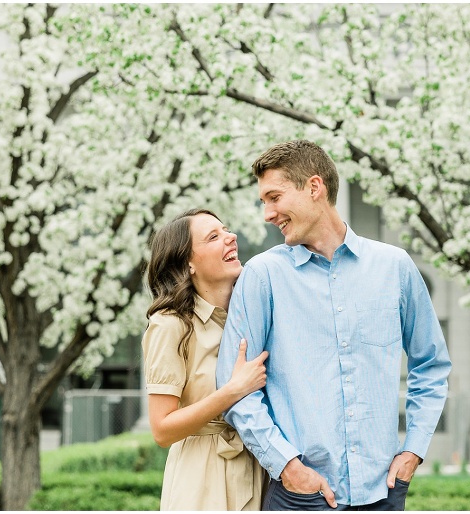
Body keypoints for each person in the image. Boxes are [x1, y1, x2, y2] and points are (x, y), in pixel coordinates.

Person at [216, 140, 452, 510]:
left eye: (274, 197)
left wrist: (413, 451)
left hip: (383, 492)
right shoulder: (263, 276)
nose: (267, 213)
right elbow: (235, 389)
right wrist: (288, 466)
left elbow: (431, 364)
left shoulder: (395, 267)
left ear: (314, 188)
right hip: (298, 495)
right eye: (264, 201)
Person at [142, 208, 269, 510]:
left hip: (258, 467)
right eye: (214, 237)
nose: (231, 238)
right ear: (188, 264)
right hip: (201, 478)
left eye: (226, 230)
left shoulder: (252, 315)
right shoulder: (170, 325)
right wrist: (232, 391)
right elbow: (162, 429)